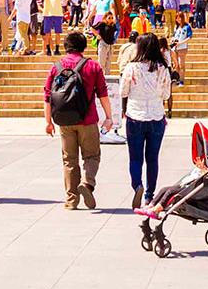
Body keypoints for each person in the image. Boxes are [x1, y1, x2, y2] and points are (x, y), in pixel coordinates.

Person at [45, 33, 113, 210]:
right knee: (92, 156)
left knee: (69, 160)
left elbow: (47, 96)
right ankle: (87, 182)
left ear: (66, 46)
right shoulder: (92, 66)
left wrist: (48, 122)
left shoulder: (56, 67)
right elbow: (103, 93)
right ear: (83, 47)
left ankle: (71, 200)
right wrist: (109, 117)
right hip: (88, 119)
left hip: (64, 120)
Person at [120, 32, 171, 209]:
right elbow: (166, 94)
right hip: (156, 116)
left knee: (135, 157)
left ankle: (137, 185)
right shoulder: (162, 68)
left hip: (135, 115)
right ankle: (149, 195)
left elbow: (123, 92)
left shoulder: (131, 68)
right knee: (152, 158)